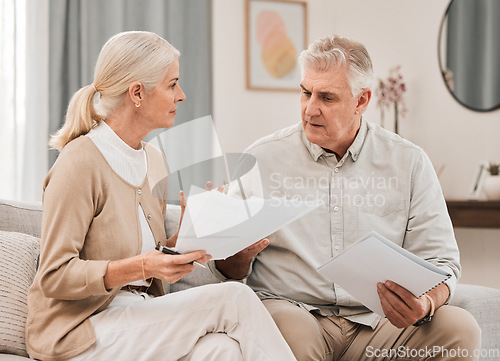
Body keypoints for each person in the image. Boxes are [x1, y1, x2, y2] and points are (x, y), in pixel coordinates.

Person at [25, 31, 297, 361]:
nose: (181, 95)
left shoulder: (153, 160)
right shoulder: (79, 162)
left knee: (220, 350)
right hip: (80, 329)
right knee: (234, 299)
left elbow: (147, 254)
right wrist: (141, 266)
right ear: (137, 92)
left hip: (137, 313)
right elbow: (54, 276)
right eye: (172, 84)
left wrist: (186, 238)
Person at [209, 35, 482, 361]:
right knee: (288, 328)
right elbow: (225, 268)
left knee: (460, 328)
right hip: (296, 312)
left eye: (326, 97)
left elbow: (443, 263)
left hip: (381, 323)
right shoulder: (260, 159)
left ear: (361, 101)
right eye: (305, 92)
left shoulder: (409, 162)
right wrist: (236, 254)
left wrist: (425, 303)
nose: (310, 108)